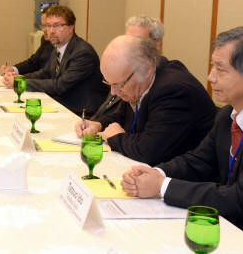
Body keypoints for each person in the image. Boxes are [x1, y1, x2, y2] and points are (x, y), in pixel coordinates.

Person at [120, 26, 243, 254]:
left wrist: (162, 187)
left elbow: (242, 198)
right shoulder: (228, 114)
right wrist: (155, 173)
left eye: (220, 69)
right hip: (228, 228)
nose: (210, 77)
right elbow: (199, 161)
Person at [75, 35, 215, 165]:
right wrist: (98, 124)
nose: (113, 92)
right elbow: (122, 115)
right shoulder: (139, 79)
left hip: (185, 180)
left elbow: (149, 152)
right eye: (109, 83)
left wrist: (116, 138)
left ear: (146, 69)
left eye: (118, 84)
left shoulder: (174, 91)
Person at [3, 5, 108, 115]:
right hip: (62, 103)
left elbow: (60, 86)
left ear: (71, 27)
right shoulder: (59, 46)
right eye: (48, 26)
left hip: (81, 112)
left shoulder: (82, 53)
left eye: (57, 26)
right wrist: (19, 78)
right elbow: (45, 73)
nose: (51, 31)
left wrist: (23, 83)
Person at [91, 15, 165, 121]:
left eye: (138, 41)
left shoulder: (151, 80)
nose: (130, 46)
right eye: (127, 39)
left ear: (157, 43)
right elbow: (118, 115)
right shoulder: (123, 71)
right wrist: (96, 124)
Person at [0, 8, 55, 76]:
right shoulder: (46, 40)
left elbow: (51, 78)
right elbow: (33, 63)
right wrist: (13, 69)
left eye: (48, 25)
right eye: (43, 25)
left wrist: (21, 79)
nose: (44, 30)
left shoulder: (69, 50)